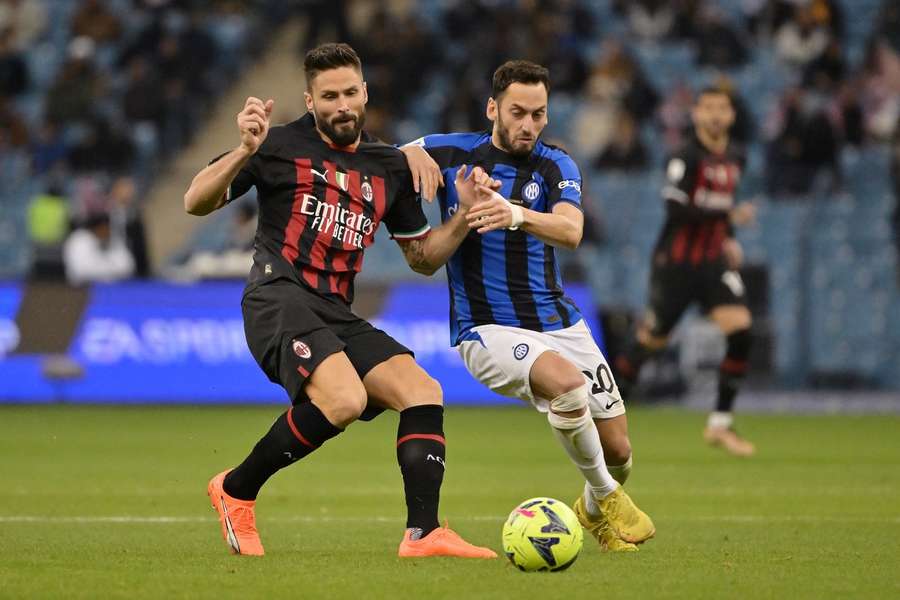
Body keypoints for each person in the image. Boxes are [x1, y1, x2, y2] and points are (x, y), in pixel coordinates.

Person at [183, 43, 495, 559]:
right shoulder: (275, 144)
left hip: (335, 311)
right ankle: (237, 490)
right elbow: (194, 203)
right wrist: (243, 150)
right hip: (277, 297)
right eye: (329, 96)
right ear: (310, 100)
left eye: (350, 92)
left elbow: (421, 257)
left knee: (422, 391)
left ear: (365, 92)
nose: (342, 104)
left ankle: (424, 534)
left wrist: (462, 217)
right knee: (344, 399)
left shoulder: (388, 166)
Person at [400, 60, 655, 552]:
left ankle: (592, 508)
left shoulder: (557, 164)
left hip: (558, 321)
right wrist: (410, 154)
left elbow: (571, 231)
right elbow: (387, 155)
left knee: (619, 450)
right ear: (493, 108)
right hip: (486, 327)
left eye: (539, 114)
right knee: (567, 386)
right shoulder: (452, 151)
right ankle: (608, 496)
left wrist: (513, 213)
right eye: (518, 112)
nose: (529, 125)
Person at [614, 87, 757, 457]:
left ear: (731, 116)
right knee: (650, 341)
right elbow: (675, 208)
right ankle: (605, 416)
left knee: (741, 330)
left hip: (713, 265)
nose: (714, 115)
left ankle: (720, 424)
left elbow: (718, 209)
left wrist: (729, 238)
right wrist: (727, 217)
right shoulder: (684, 157)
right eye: (707, 108)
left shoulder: (735, 158)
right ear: (695, 115)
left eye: (721, 108)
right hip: (675, 267)